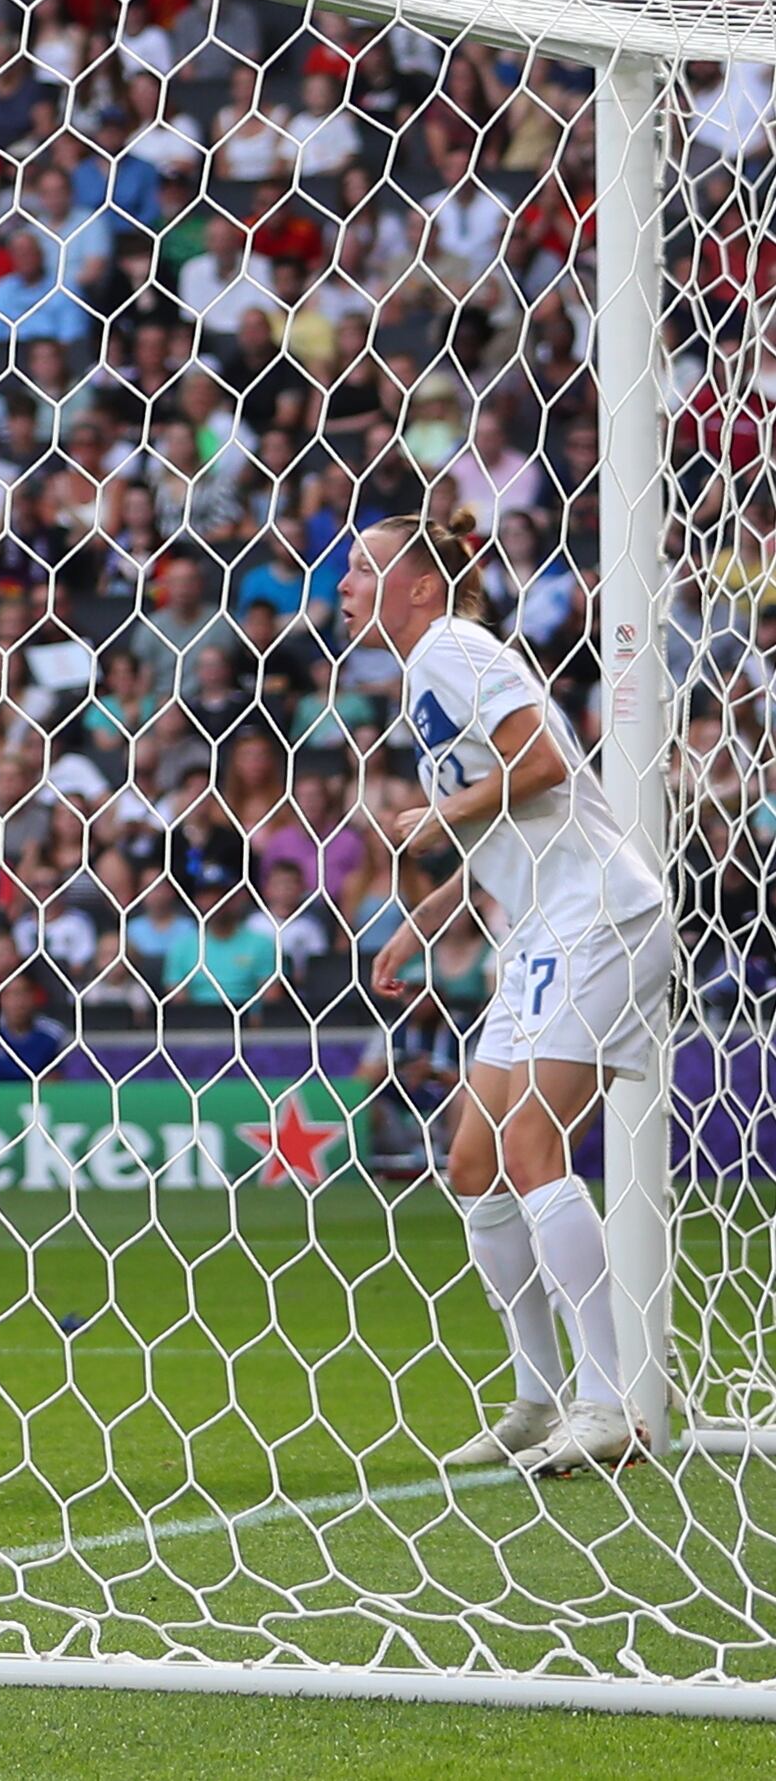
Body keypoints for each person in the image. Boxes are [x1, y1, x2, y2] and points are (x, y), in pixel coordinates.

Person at [351, 509, 676, 1482]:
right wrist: (422, 915)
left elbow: (538, 762)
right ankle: (535, 1400)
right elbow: (522, 817)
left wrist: (434, 812)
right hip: (538, 922)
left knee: (530, 1146)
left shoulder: (451, 645)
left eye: (362, 569)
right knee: (471, 1162)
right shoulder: (423, 675)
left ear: (416, 585)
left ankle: (609, 1401)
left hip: (599, 916)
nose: (341, 586)